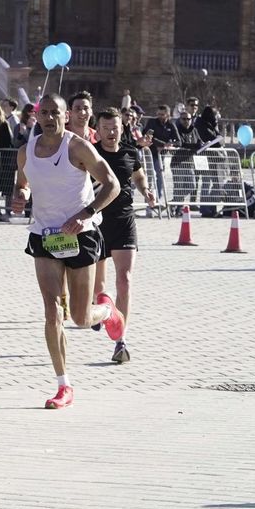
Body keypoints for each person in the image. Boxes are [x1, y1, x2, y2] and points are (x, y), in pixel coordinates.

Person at [10, 94, 126, 410]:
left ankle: (108, 311)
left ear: (66, 115)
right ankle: (64, 385)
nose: (49, 118)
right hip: (44, 237)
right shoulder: (26, 152)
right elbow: (23, 184)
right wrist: (20, 196)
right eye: (43, 113)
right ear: (36, 116)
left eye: (55, 113)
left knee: (80, 316)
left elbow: (112, 184)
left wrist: (86, 213)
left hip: (81, 236)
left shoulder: (77, 147)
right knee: (51, 311)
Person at [92, 110, 155, 366]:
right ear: (98, 129)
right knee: (98, 287)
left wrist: (146, 190)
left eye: (115, 127)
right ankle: (101, 312)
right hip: (96, 221)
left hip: (124, 221)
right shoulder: (91, 153)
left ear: (122, 127)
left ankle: (121, 341)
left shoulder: (130, 152)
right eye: (106, 127)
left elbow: (138, 176)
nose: (111, 132)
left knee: (125, 280)